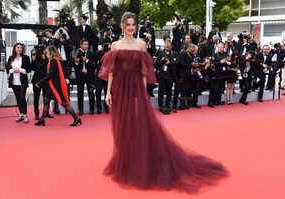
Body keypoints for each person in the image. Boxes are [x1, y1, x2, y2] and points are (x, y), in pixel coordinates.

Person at [98, 12, 229, 193]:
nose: (130, 27)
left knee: (139, 124)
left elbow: (144, 71)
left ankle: (141, 160)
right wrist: (108, 92)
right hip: (120, 88)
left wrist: (143, 91)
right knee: (123, 124)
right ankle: (126, 160)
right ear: (122, 26)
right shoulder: (115, 45)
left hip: (136, 87)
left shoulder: (141, 45)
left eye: (133, 24)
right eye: (128, 24)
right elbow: (111, 69)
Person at [34, 45, 81, 126]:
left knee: (62, 103)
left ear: (50, 52)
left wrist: (40, 83)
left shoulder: (53, 61)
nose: (46, 53)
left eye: (47, 51)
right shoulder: (60, 60)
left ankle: (76, 118)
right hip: (58, 85)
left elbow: (50, 74)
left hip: (55, 86)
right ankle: (42, 119)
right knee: (47, 101)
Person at [6, 43, 31, 123]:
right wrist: (12, 70)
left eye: (21, 47)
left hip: (22, 81)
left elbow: (29, 69)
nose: (19, 49)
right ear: (15, 48)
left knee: (22, 98)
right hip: (14, 81)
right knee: (17, 98)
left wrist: (20, 70)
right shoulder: (11, 58)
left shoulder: (26, 57)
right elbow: (7, 69)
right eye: (18, 47)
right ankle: (21, 113)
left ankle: (25, 115)